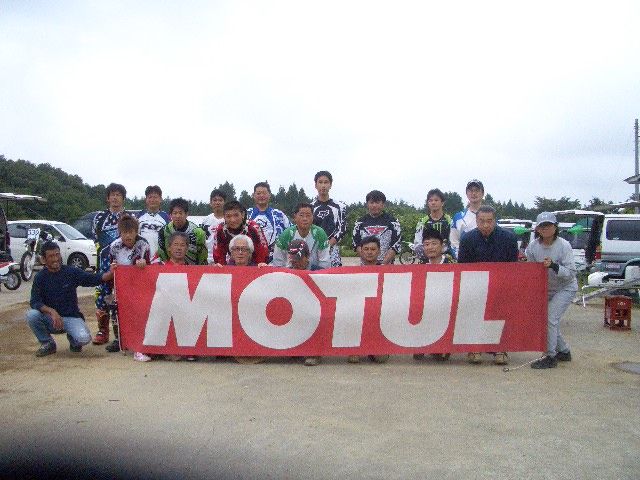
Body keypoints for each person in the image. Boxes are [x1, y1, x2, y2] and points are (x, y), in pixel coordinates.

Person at [26, 241, 115, 357]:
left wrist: (111, 273)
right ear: (43, 259)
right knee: (32, 315)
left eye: (57, 254)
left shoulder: (71, 272)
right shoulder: (40, 277)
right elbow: (35, 301)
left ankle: (73, 339)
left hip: (71, 317)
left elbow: (92, 279)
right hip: (51, 319)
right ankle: (47, 343)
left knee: (83, 339)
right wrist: (52, 312)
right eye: (51, 256)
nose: (55, 259)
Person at [458, 205, 518, 365]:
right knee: (474, 315)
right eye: (482, 221)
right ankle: (474, 348)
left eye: (489, 221)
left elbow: (513, 266)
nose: (485, 225)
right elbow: (463, 266)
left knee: (500, 316)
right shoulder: (467, 239)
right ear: (476, 221)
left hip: (501, 285)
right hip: (476, 285)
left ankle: (501, 349)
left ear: (495, 221)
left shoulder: (509, 238)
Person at [525, 212, 577, 369]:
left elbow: (571, 273)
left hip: (565, 287)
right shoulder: (532, 247)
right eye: (542, 226)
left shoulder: (564, 245)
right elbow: (532, 270)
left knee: (550, 318)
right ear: (537, 229)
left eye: (548, 225)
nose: (545, 228)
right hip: (546, 288)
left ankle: (550, 356)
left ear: (555, 227)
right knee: (548, 320)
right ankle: (564, 351)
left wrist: (554, 266)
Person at [98, 214, 151, 353]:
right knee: (116, 309)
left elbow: (149, 267)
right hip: (120, 284)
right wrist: (113, 269)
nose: (128, 236)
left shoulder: (143, 244)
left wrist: (144, 264)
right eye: (124, 233)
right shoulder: (114, 246)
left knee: (139, 310)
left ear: (136, 232)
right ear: (120, 233)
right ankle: (119, 339)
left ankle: (139, 337)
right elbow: (111, 267)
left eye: (131, 232)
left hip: (139, 283)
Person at [92, 182, 129, 346]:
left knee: (119, 298)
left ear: (123, 198)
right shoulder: (99, 217)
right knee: (102, 297)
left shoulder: (129, 218)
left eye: (118, 195)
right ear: (108, 198)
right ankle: (102, 331)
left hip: (123, 265)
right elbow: (96, 239)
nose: (115, 198)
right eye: (112, 195)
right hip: (103, 265)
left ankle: (119, 334)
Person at [414, 229, 454, 362]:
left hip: (447, 305)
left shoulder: (452, 263)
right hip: (427, 305)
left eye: (434, 243)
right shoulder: (421, 264)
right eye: (426, 244)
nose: (430, 247)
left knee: (442, 357)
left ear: (442, 245)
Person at [351, 236, 390, 364]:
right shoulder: (352, 272)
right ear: (361, 251)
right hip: (357, 317)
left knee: (381, 359)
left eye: (373, 249)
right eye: (366, 249)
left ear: (379, 251)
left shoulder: (388, 272)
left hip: (379, 318)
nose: (369, 252)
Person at [271, 203, 330, 270]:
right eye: (301, 215)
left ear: (313, 217)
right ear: (295, 217)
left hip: (314, 272)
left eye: (308, 215)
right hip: (291, 272)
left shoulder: (320, 234)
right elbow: (277, 262)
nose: (305, 219)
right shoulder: (286, 234)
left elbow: (325, 262)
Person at [352, 190, 401, 265]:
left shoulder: (393, 222)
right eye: (371, 202)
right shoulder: (359, 223)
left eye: (377, 202)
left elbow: (396, 245)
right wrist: (368, 263)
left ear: (383, 204)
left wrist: (382, 265)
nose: (374, 205)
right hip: (365, 266)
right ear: (367, 204)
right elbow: (356, 244)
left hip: (386, 267)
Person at [214, 201, 269, 266]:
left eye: (236, 215)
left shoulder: (254, 228)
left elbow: (263, 251)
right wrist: (222, 268)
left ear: (242, 214)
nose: (233, 220)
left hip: (253, 263)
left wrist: (259, 268)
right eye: (228, 216)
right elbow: (218, 254)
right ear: (224, 217)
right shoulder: (220, 230)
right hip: (233, 262)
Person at [246, 182, 290, 262]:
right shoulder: (246, 214)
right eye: (258, 193)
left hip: (275, 259)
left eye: (264, 193)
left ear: (269, 195)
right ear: (253, 195)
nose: (261, 196)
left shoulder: (279, 215)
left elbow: (290, 232)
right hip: (250, 258)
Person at [311, 171, 347, 267]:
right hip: (314, 250)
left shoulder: (340, 207)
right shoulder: (310, 207)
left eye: (326, 182)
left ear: (330, 185)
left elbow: (342, 229)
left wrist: (328, 245)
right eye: (320, 182)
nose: (323, 185)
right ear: (315, 185)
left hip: (333, 250)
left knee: (334, 275)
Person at [157, 198, 208, 265]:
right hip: (171, 269)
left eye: (180, 213)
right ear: (170, 215)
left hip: (192, 269)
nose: (177, 216)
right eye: (175, 213)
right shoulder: (164, 231)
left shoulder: (198, 232)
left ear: (186, 214)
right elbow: (162, 254)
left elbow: (203, 256)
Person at [413, 188, 453, 260]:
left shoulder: (450, 221)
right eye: (430, 200)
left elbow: (454, 242)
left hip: (447, 260)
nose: (433, 203)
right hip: (427, 260)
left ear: (442, 203)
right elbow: (417, 244)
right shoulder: (422, 222)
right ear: (428, 203)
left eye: (436, 200)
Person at [450, 179, 485, 258]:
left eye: (477, 190)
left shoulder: (490, 216)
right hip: (466, 261)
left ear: (482, 193)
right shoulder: (458, 217)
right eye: (471, 190)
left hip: (488, 261)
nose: (473, 193)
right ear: (466, 193)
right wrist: (462, 258)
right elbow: (454, 242)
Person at [136, 185, 170, 259]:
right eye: (150, 197)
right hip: (142, 259)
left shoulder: (166, 217)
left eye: (155, 197)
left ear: (161, 199)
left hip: (160, 259)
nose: (152, 200)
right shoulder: (139, 216)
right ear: (146, 199)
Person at [201, 189, 226, 264]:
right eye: (215, 200)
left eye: (220, 200)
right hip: (208, 259)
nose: (217, 203)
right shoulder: (206, 220)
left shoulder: (229, 219)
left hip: (225, 259)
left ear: (224, 202)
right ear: (210, 203)